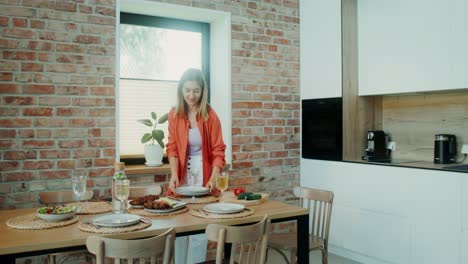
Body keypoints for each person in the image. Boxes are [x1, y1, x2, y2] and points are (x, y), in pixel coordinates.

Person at [165, 68, 226, 264]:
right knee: (179, 227)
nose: (191, 96)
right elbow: (172, 147)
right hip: (182, 174)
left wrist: (213, 177)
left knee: (199, 230)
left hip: (204, 175)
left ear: (203, 90)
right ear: (181, 90)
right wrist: (174, 173)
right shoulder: (174, 115)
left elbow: (218, 151)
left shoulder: (210, 116)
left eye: (196, 91)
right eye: (187, 90)